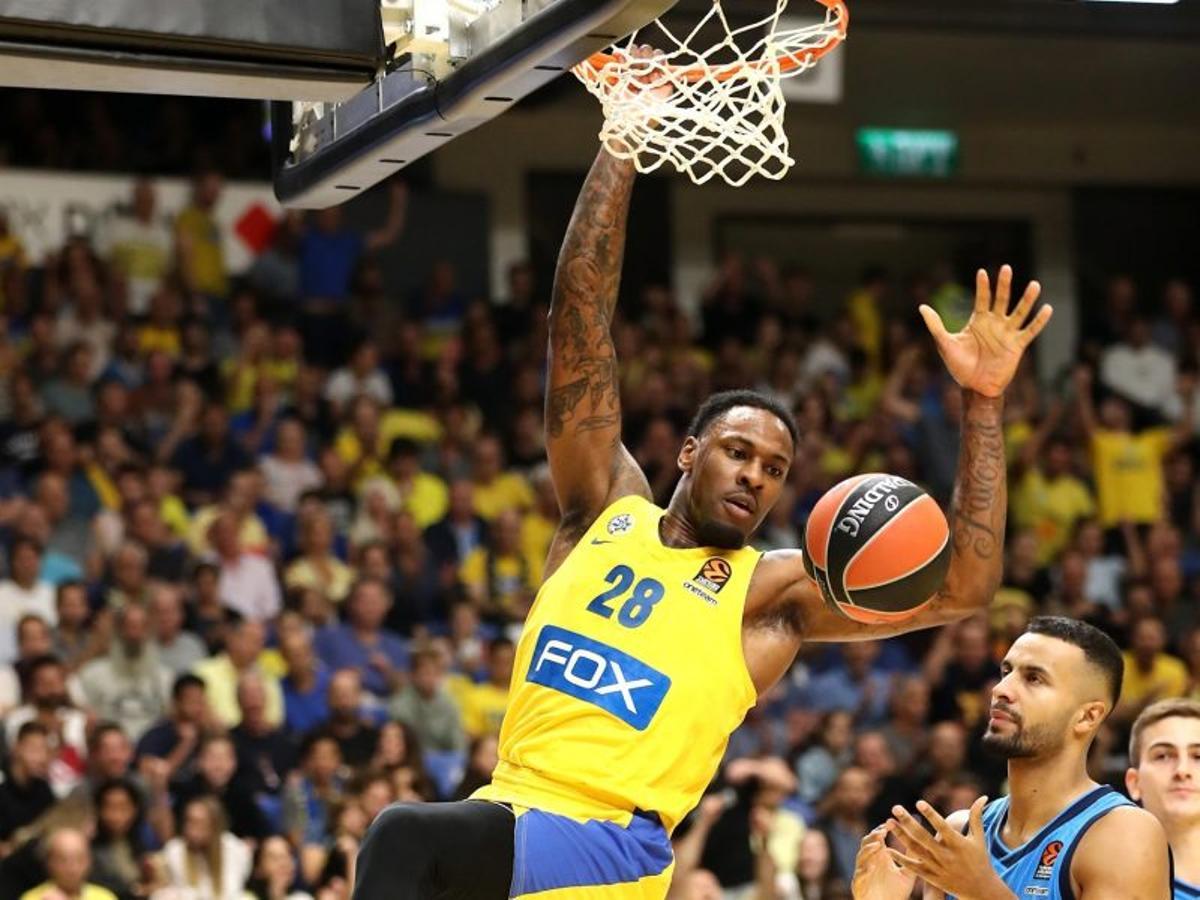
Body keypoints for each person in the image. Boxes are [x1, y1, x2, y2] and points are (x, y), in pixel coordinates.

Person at [353, 139, 1052, 899]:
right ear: (688, 453)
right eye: (738, 451)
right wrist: (620, 144)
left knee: (403, 834)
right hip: (509, 809)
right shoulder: (602, 510)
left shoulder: (769, 593)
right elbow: (579, 318)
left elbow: (965, 587)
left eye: (775, 469)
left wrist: (983, 401)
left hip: (605, 843)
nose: (755, 474)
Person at [852, 616, 1170, 899]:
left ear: (1087, 716)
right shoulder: (960, 831)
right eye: (1006, 671)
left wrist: (982, 890)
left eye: (1034, 678)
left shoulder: (1122, 833)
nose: (1001, 689)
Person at [1125, 698, 1200, 899]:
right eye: (1163, 756)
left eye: (1198, 756)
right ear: (1134, 783)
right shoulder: (1106, 877)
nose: (1182, 771)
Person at [18, 827, 117, 900]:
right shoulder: (32, 898)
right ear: (49, 862)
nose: (72, 868)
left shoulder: (105, 897)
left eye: (79, 859)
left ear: (89, 860)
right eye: (63, 860)